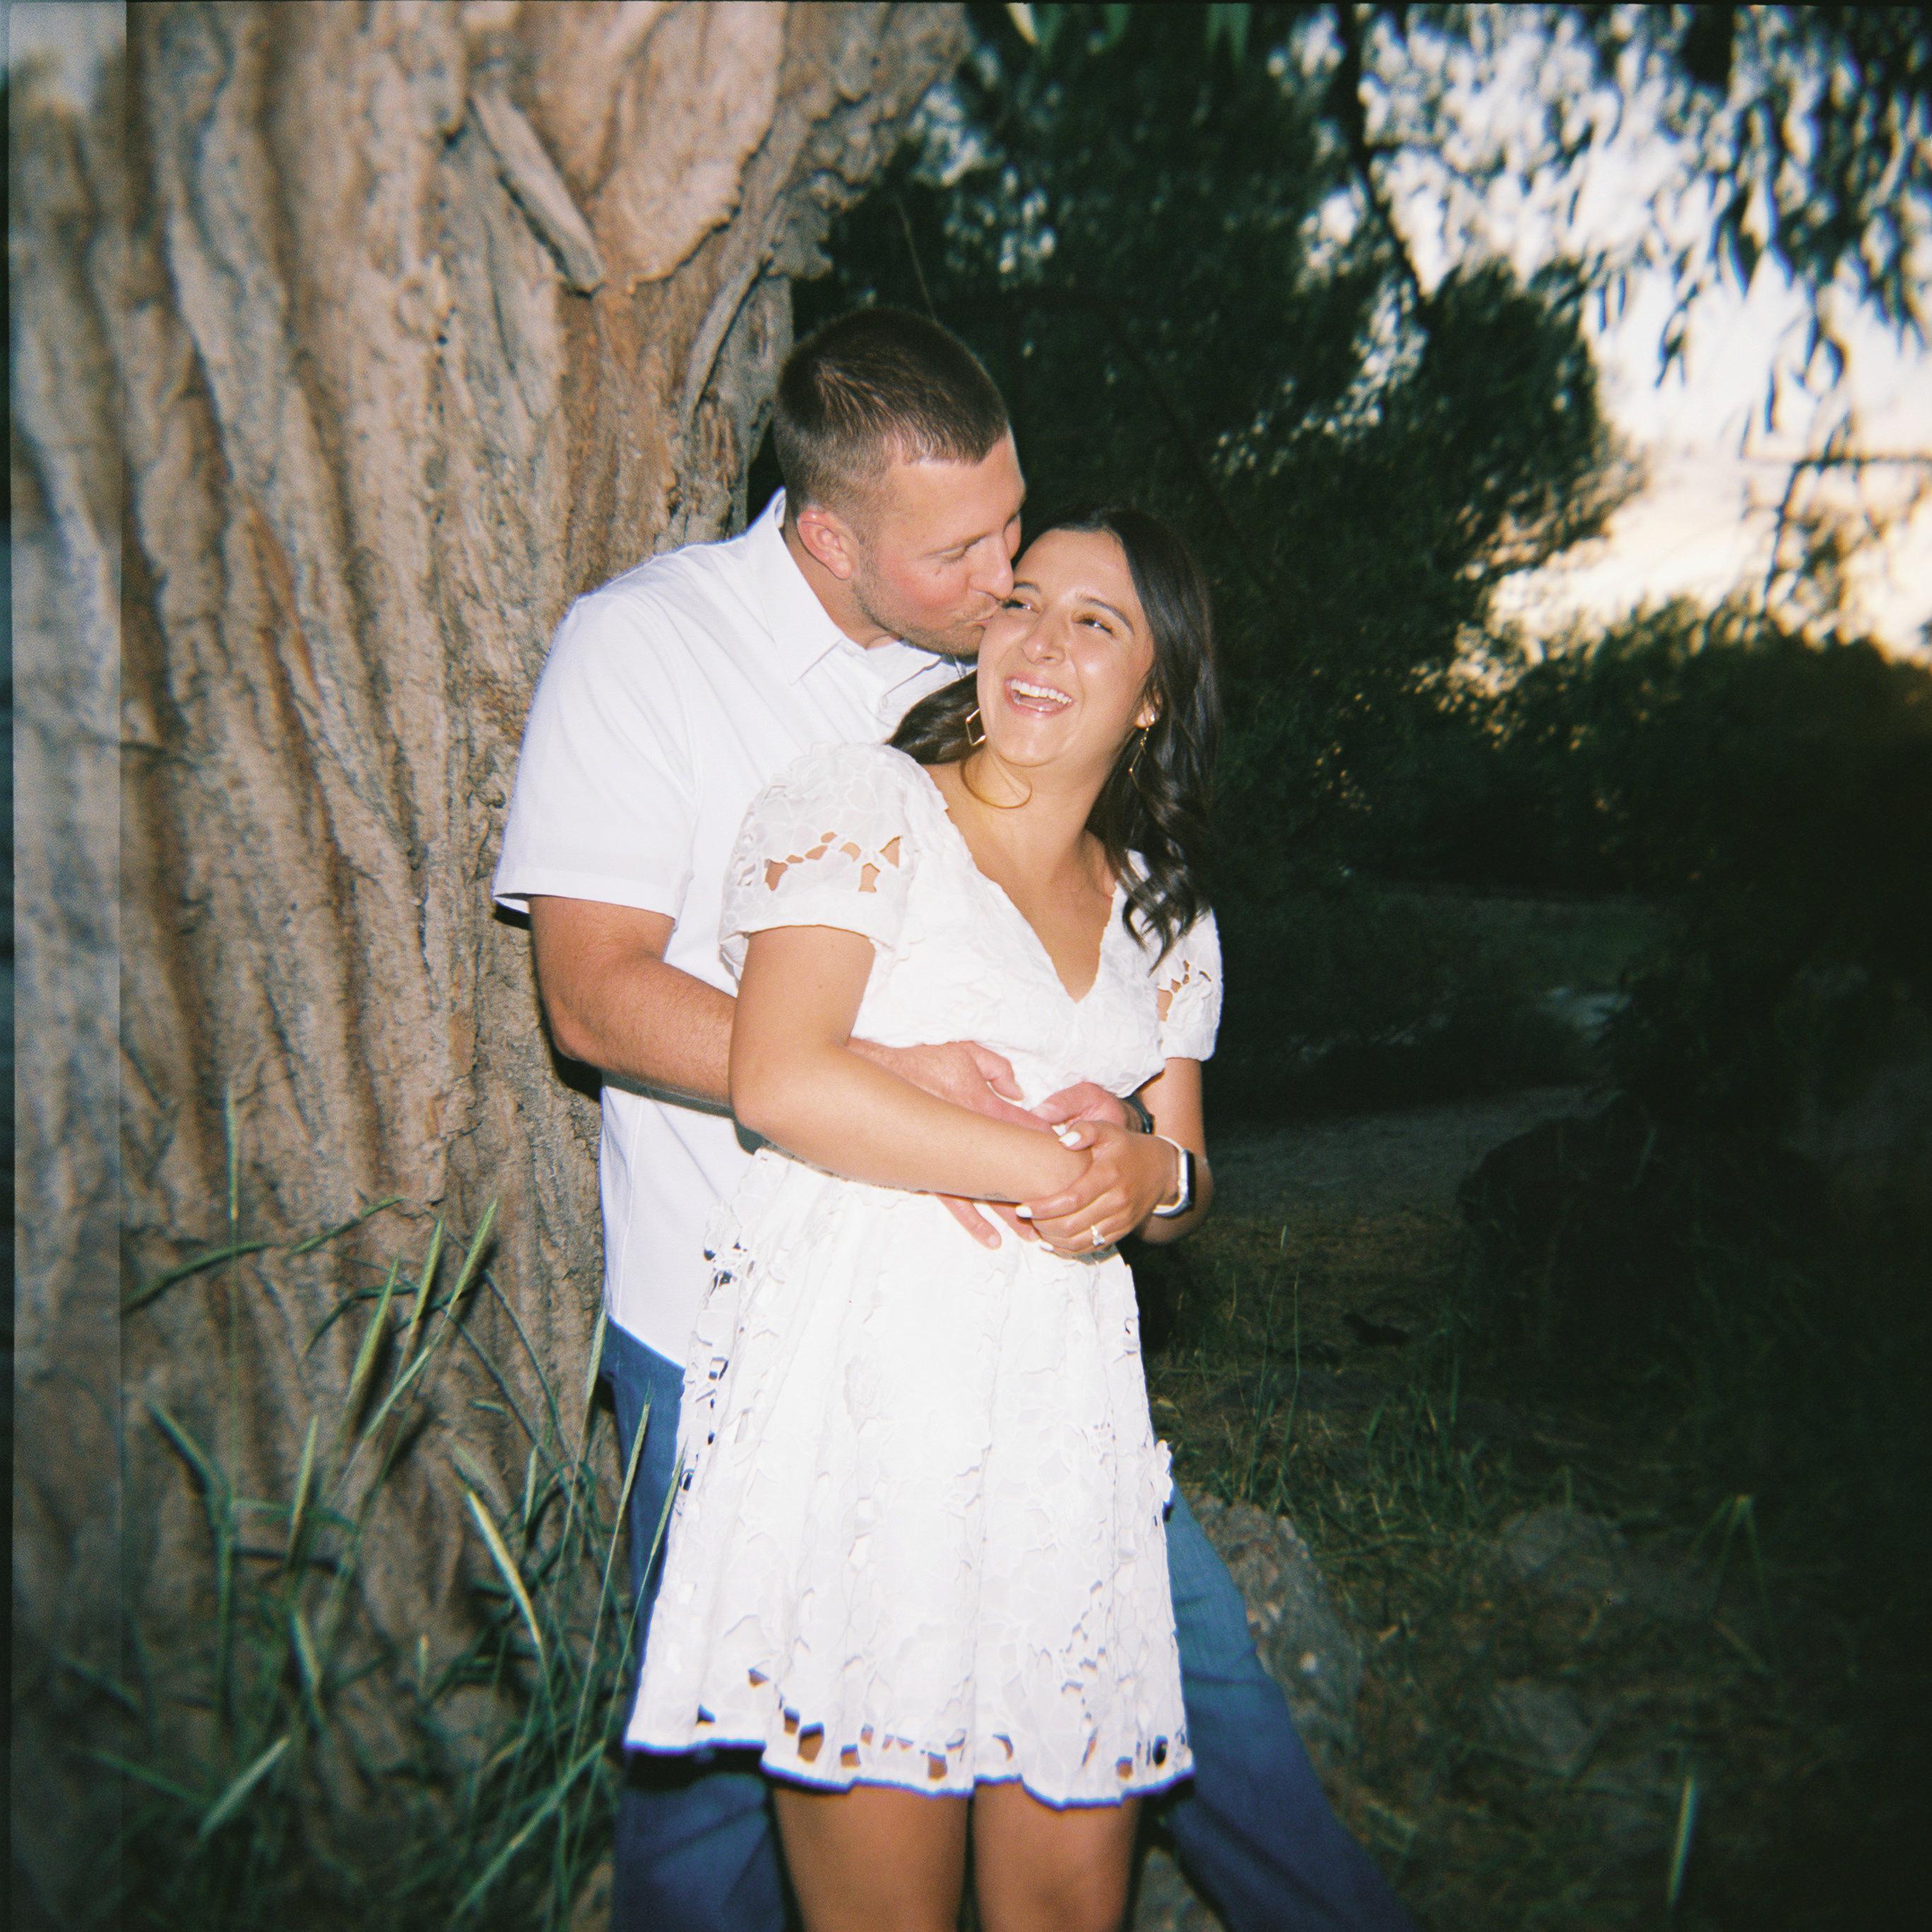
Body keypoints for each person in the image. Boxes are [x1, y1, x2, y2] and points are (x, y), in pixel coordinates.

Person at [493, 307, 1411, 1931]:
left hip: (1048, 1373)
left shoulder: (1000, 696)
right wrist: (882, 1067)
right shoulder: (654, 653)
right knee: (716, 1804)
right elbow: (598, 998)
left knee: (1177, 1696)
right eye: (972, 556)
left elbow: (1165, 1113)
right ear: (831, 539)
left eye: (1020, 532)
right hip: (748, 1323)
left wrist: (1145, 1169)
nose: (1006, 591)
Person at [630, 507, 1216, 1932]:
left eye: (1096, 622)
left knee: (1068, 1900)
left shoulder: (1162, 912)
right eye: (1022, 601)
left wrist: (1147, 1173)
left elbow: (1187, 1176)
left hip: (1062, 1418)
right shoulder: (865, 805)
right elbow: (781, 1078)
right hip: (870, 1406)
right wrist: (1037, 1163)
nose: (1040, 639)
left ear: (1152, 698)